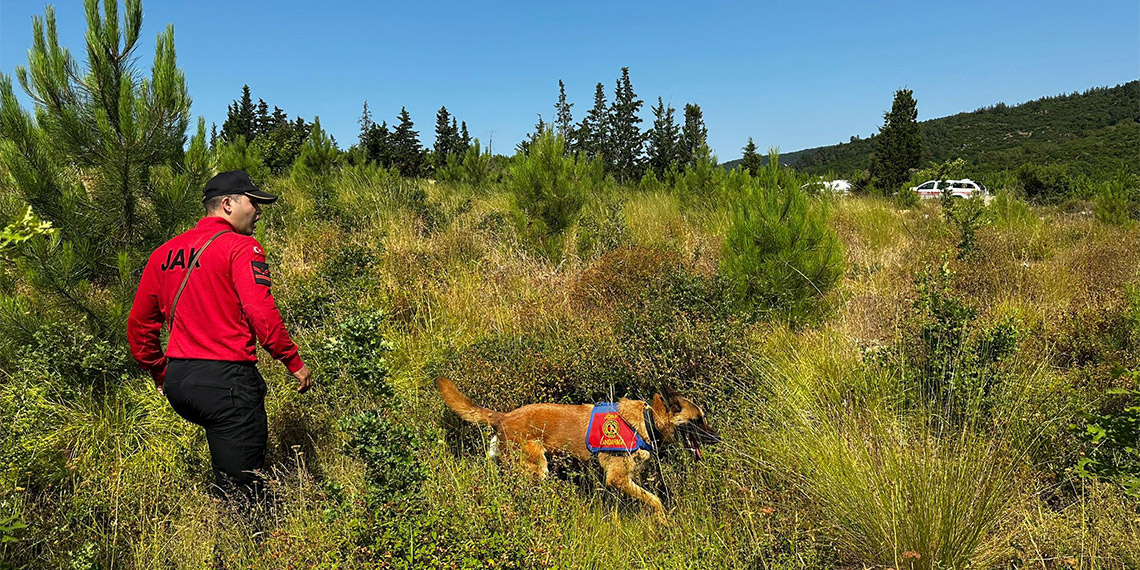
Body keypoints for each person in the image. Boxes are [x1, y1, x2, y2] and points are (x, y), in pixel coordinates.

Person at [127, 170, 312, 501]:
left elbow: (140, 324)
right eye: (254, 202)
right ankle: (246, 546)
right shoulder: (241, 247)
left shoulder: (164, 253)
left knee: (228, 467)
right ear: (228, 204)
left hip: (180, 382)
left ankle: (222, 529)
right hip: (226, 380)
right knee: (245, 492)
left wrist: (159, 370)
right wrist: (292, 360)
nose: (259, 210)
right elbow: (260, 312)